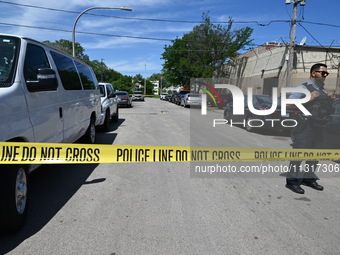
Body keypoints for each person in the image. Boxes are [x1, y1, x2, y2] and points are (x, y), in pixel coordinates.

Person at [285, 63, 334, 194]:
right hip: (305, 127)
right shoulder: (303, 88)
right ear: (313, 73)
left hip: (320, 126)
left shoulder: (323, 90)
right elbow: (288, 104)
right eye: (322, 73)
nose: (325, 76)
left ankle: (308, 178)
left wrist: (331, 99)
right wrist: (309, 97)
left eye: (326, 73)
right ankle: (292, 181)